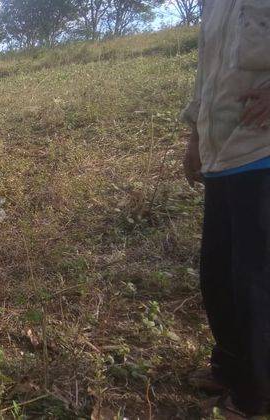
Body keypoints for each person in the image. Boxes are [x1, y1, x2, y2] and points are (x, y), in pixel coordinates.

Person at [183, 1, 270, 418]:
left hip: (263, 149)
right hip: (222, 154)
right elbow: (207, 74)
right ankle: (231, 367)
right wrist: (193, 137)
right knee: (218, 273)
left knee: (256, 281)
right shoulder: (214, 5)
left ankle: (255, 396)